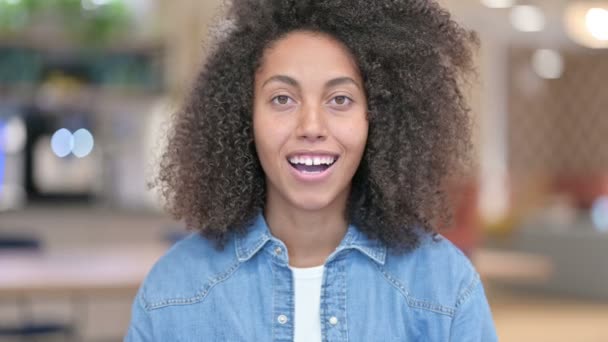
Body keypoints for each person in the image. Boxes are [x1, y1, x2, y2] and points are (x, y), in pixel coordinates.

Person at [126, 0, 497, 340]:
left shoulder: (444, 286)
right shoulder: (173, 291)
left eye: (340, 99)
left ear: (379, 118)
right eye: (282, 99)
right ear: (244, 118)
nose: (311, 126)